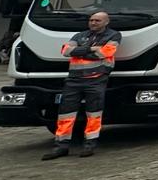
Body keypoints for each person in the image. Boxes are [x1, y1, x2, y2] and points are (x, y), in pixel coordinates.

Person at [44, 10, 121, 159]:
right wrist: (91, 49)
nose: (93, 23)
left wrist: (79, 51)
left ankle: (89, 145)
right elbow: (66, 51)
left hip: (97, 79)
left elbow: (104, 53)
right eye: (91, 20)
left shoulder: (113, 35)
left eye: (97, 20)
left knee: (94, 113)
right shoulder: (79, 35)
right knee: (65, 114)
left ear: (106, 22)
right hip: (74, 80)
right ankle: (61, 146)